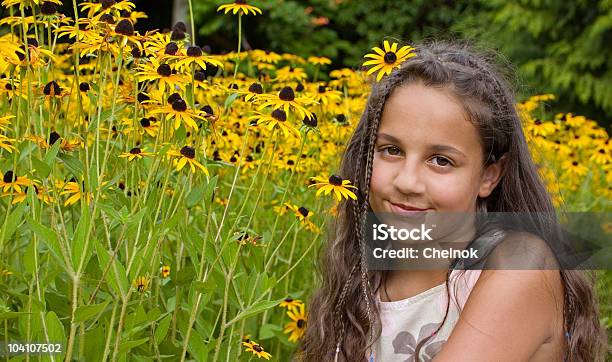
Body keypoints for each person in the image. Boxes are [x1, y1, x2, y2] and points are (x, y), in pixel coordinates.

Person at [298, 41, 606, 361]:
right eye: (391, 150)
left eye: (441, 161)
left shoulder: (521, 265)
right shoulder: (361, 279)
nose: (407, 181)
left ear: (490, 175)